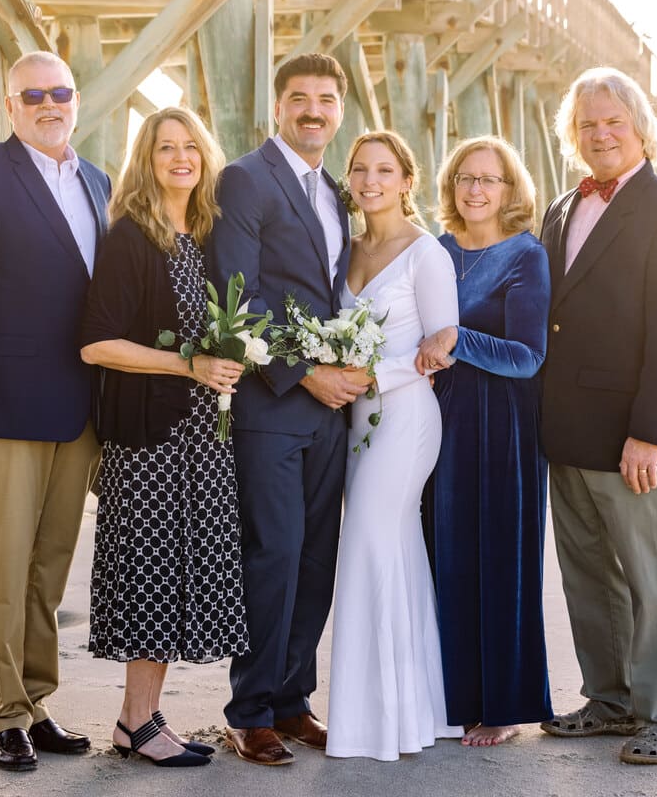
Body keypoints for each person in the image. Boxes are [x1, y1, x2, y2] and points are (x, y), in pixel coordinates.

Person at [0, 51, 111, 771]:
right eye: (31, 94)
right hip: (1, 408)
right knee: (2, 568)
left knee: (49, 569)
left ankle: (37, 703)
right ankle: (3, 714)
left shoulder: (97, 180)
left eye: (59, 91)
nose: (47, 103)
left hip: (79, 410)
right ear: (10, 105)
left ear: (76, 99)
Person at [536, 67, 657, 765]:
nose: (600, 134)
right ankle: (609, 699)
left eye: (613, 121)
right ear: (572, 136)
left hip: (634, 438)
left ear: (641, 127)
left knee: (650, 580)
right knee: (588, 576)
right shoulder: (560, 208)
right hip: (567, 432)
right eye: (587, 125)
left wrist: (651, 432)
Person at [79, 107, 248, 768]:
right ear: (144, 162)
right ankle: (136, 720)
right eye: (164, 149)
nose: (180, 158)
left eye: (190, 147)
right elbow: (96, 342)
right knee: (149, 574)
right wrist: (190, 365)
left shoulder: (207, 234)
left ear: (205, 157)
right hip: (149, 438)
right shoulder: (132, 236)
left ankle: (139, 720)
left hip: (203, 437)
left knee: (180, 575)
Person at [208, 53, 364, 766]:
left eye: (326, 99)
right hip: (276, 405)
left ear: (339, 110)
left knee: (317, 556)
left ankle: (294, 698)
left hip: (331, 413)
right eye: (299, 98)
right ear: (278, 107)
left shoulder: (333, 188)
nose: (313, 110)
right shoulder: (245, 178)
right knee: (272, 554)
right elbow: (239, 297)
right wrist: (307, 376)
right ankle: (250, 710)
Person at [325, 131, 462, 761]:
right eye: (359, 169)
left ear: (407, 180)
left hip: (405, 418)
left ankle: (375, 723)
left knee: (370, 546)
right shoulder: (344, 248)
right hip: (354, 422)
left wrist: (378, 376)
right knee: (393, 550)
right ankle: (410, 713)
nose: (370, 180)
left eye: (384, 170)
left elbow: (442, 343)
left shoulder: (425, 253)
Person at [415, 136, 553, 747]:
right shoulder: (436, 251)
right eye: (465, 178)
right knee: (444, 555)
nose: (475, 190)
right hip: (437, 422)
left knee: (499, 560)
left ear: (509, 190)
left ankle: (502, 705)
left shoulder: (527, 255)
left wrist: (456, 339)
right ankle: (453, 699)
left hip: (503, 428)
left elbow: (527, 358)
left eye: (488, 180)